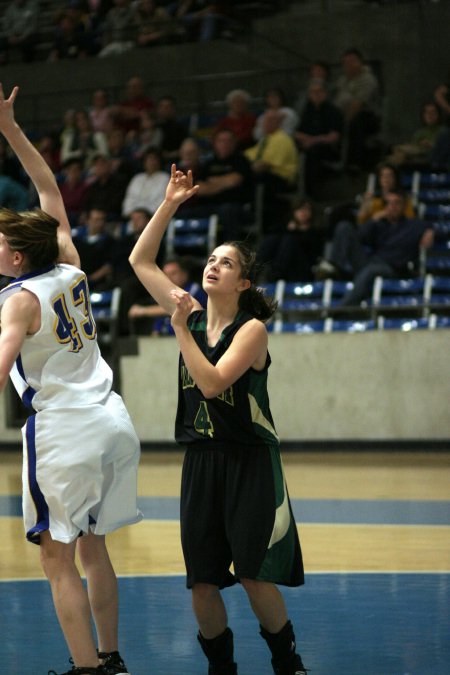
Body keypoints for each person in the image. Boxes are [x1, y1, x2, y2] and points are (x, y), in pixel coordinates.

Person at [129, 164, 307, 675]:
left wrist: (181, 330)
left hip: (249, 460)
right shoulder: (189, 307)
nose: (212, 266)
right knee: (203, 580)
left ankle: (287, 663)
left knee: (253, 575)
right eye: (210, 259)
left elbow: (210, 385)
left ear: (242, 281)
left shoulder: (252, 331)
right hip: (201, 461)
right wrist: (169, 204)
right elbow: (140, 260)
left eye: (225, 263)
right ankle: (220, 668)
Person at [0, 84, 141, 675]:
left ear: (14, 256)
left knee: (56, 559)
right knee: (95, 550)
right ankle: (110, 659)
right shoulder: (69, 264)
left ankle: (86, 670)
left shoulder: (17, 299)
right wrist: (9, 128)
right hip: (113, 420)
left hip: (63, 432)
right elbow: (50, 189)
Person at [315, 188, 434, 306]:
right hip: (370, 262)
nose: (392, 206)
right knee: (344, 226)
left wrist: (430, 231)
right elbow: (359, 237)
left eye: (396, 203)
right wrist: (372, 220)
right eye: (388, 203)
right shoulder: (379, 224)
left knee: (369, 271)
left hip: (392, 268)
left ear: (404, 205)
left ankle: (341, 309)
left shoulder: (414, 225)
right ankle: (334, 267)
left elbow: (435, 228)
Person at [295, 78, 344, 198]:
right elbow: (297, 132)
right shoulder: (307, 110)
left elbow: (334, 136)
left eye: (319, 91)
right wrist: (307, 139)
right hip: (307, 143)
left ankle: (311, 192)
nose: (316, 95)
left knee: (313, 152)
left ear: (325, 93)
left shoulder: (333, 111)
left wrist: (313, 141)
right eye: (312, 92)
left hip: (327, 148)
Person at [333, 47, 380, 171]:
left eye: (352, 61)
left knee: (355, 122)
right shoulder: (342, 80)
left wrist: (343, 122)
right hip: (341, 114)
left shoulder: (368, 79)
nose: (348, 65)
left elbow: (358, 104)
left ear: (360, 62)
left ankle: (354, 163)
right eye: (345, 62)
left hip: (365, 116)